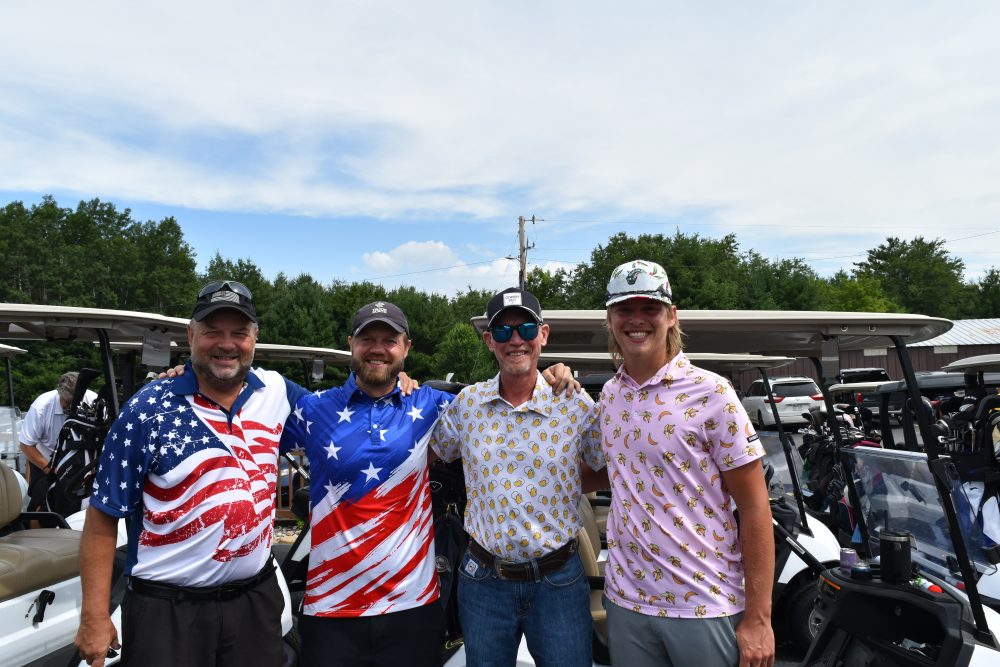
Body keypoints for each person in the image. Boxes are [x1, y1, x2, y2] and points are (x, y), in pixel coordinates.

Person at [279, 300, 580, 667]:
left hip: (412, 607)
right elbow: (243, 406)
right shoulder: (313, 409)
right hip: (330, 609)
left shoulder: (432, 404)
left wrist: (555, 375)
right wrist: (187, 379)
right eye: (367, 338)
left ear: (406, 347)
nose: (377, 348)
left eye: (389, 340)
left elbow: (507, 401)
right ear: (351, 345)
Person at [75, 280, 310, 667]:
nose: (226, 343)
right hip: (168, 614)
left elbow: (345, 417)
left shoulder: (277, 393)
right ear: (190, 334)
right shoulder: (148, 408)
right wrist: (94, 618)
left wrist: (403, 388)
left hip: (255, 603)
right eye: (212, 331)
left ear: (255, 337)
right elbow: (102, 515)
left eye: (239, 333)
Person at [598, 260, 775, 667]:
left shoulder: (713, 393)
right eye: (625, 309)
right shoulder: (609, 395)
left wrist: (759, 618)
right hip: (628, 602)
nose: (637, 320)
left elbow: (754, 508)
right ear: (610, 320)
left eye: (650, 308)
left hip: (704, 603)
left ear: (671, 315)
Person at [429, 287, 605, 667]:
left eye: (525, 327)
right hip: (483, 581)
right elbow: (432, 453)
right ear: (489, 340)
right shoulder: (468, 404)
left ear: (543, 334)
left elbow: (608, 468)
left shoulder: (574, 404)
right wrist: (405, 386)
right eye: (503, 332)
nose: (516, 340)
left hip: (557, 580)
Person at [20, 371, 96, 483]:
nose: (72, 406)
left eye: (76, 402)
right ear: (59, 393)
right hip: (46, 464)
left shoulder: (94, 400)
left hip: (81, 466)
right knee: (41, 497)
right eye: (67, 402)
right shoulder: (41, 407)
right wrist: (49, 469)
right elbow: (26, 444)